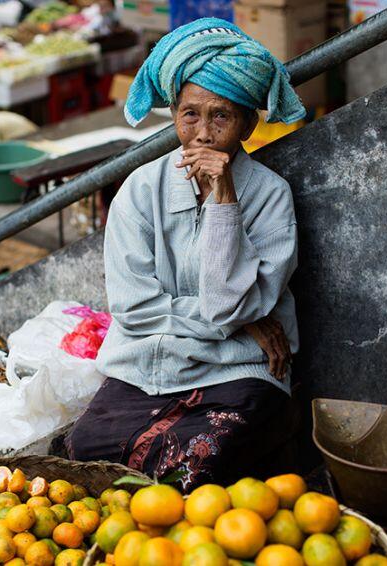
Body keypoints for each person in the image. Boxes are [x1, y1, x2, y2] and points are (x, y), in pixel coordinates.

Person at [67, 18, 306, 490]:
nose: (202, 134)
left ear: (248, 124)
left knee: (192, 468)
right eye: (190, 114)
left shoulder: (272, 196)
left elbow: (223, 304)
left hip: (237, 368)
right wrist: (243, 324)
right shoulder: (140, 190)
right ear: (174, 115)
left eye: (221, 116)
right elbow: (134, 309)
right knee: (85, 452)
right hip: (146, 364)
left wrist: (223, 202)